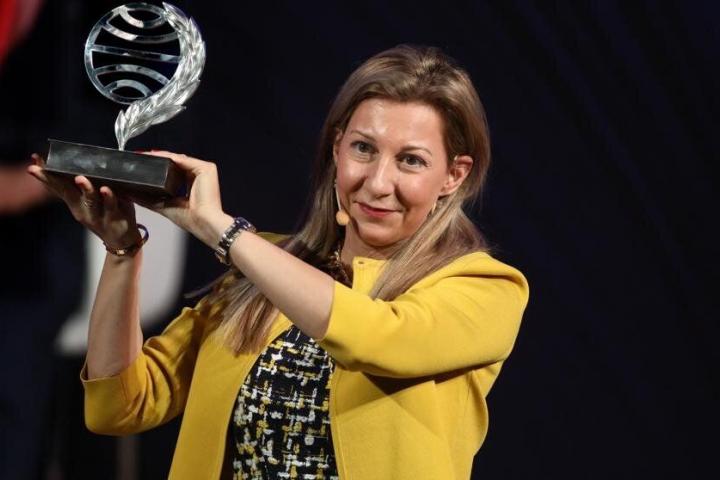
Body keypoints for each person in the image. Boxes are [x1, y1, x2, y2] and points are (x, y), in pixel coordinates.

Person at [28, 45, 529, 480]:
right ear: (337, 148)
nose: (378, 183)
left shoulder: (485, 287)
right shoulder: (259, 270)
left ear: (454, 175)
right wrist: (122, 251)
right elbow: (121, 406)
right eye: (363, 148)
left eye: (411, 160)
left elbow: (375, 338)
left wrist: (222, 231)